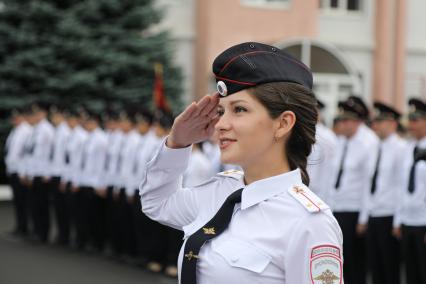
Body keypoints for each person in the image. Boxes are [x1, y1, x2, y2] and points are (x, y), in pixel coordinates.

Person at [140, 42, 343, 283]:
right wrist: (177, 143)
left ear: (283, 123)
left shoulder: (310, 223)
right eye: (221, 111)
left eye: (239, 110)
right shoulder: (222, 192)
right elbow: (157, 203)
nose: (221, 124)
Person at [328, 96, 379, 284]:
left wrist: (364, 218)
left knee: (355, 264)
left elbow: (369, 182)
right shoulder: (341, 141)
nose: (342, 124)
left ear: (358, 121)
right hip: (337, 208)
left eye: (346, 120)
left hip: (355, 211)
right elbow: (332, 177)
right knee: (338, 261)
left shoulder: (368, 142)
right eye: (340, 120)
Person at [364, 102, 406, 284]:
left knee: (390, 269)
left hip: (389, 216)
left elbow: (401, 186)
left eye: (380, 122)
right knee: (375, 268)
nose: (375, 126)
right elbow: (369, 182)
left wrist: (398, 220)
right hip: (374, 213)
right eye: (375, 122)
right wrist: (365, 216)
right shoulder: (375, 147)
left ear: (392, 124)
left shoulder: (401, 148)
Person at [393, 98, 426, 284]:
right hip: (407, 221)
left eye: (416, 120)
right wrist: (398, 219)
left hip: (423, 221)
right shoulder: (408, 148)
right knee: (410, 273)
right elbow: (401, 186)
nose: (410, 124)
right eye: (410, 120)